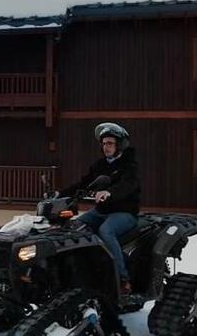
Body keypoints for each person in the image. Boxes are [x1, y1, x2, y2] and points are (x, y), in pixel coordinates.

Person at [58, 122, 141, 294]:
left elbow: (127, 185)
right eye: (103, 144)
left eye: (110, 143)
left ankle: (122, 279)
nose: (106, 147)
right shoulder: (100, 165)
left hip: (124, 212)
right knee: (72, 227)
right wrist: (60, 194)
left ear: (120, 144)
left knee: (106, 231)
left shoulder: (130, 165)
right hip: (101, 211)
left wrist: (109, 193)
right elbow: (83, 184)